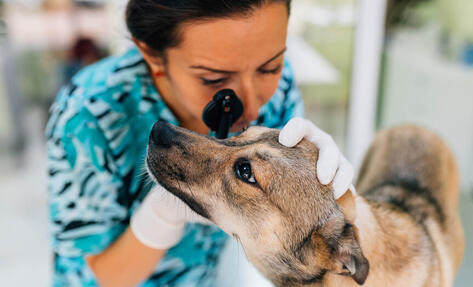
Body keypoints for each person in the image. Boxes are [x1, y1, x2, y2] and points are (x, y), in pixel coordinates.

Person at [45, 1, 354, 286]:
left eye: (269, 67)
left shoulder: (281, 87)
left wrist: (332, 198)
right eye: (214, 79)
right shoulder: (88, 116)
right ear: (153, 56)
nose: (252, 106)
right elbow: (101, 276)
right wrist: (160, 216)